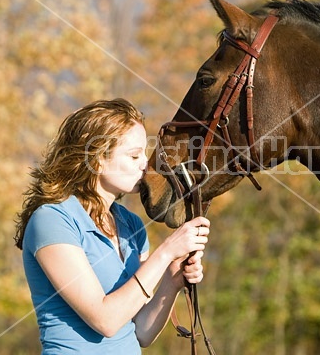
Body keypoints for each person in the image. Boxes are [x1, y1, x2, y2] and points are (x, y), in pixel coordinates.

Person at [14, 98, 210, 354]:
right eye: (134, 155)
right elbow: (104, 320)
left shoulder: (131, 224)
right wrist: (165, 253)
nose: (145, 164)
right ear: (97, 160)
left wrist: (171, 281)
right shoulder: (53, 220)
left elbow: (142, 331)